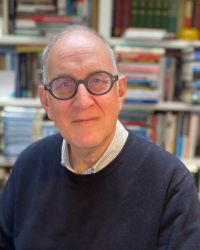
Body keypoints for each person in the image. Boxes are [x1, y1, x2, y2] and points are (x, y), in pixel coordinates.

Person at [0, 25, 200, 250]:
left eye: (98, 80)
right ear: (46, 101)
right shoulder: (28, 166)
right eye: (64, 85)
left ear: (120, 92)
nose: (83, 101)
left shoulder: (170, 183)